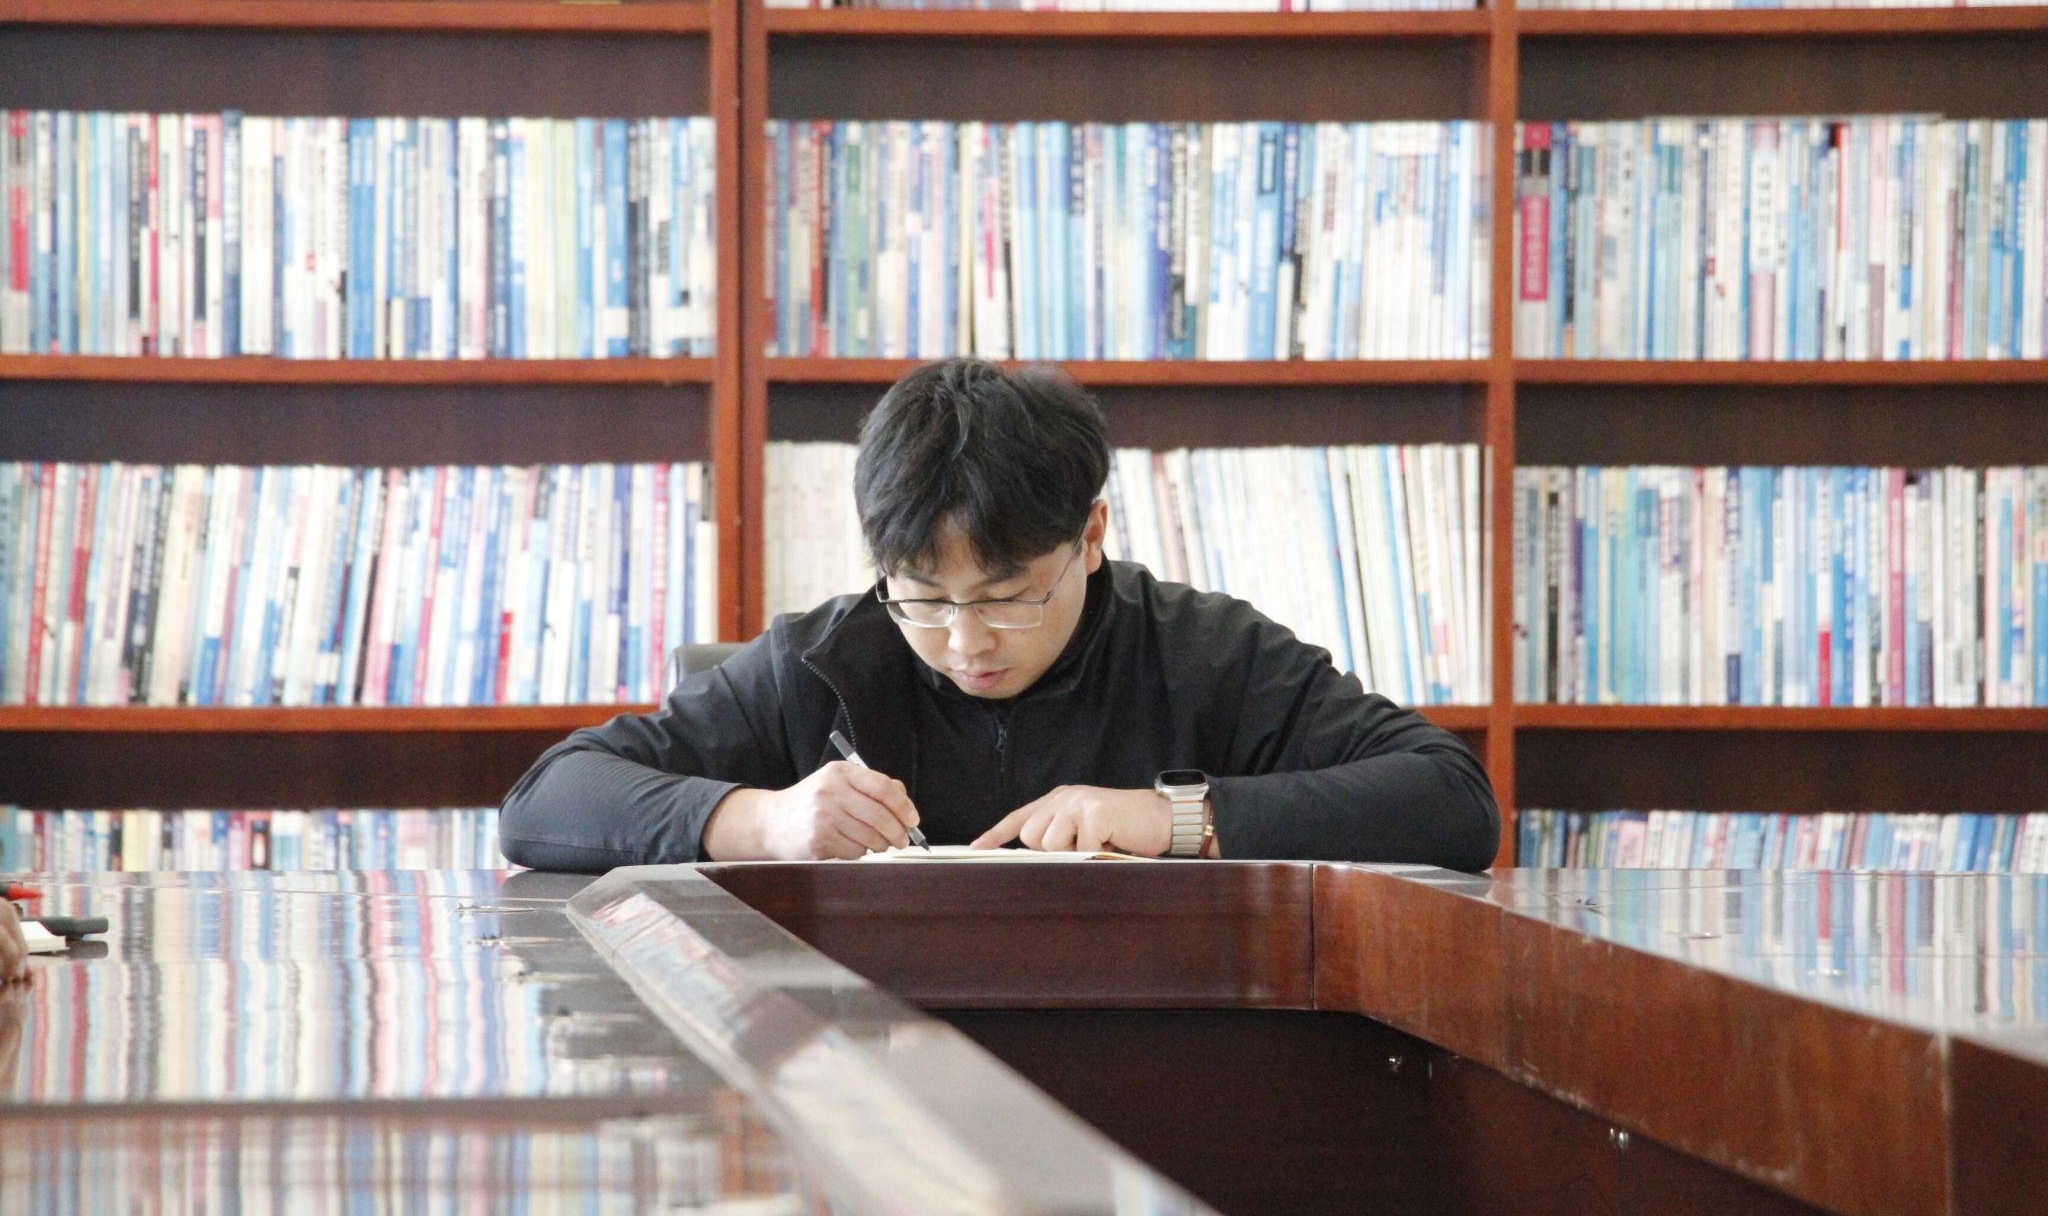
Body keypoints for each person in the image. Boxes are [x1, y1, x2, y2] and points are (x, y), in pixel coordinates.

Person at [499, 358, 1499, 872]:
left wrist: (1173, 820)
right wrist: (759, 820)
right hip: (859, 1070)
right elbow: (544, 800)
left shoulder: (1202, 652)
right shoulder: (822, 660)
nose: (965, 641)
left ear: (1090, 533)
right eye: (924, 597)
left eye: (1010, 596)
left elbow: (1451, 800)